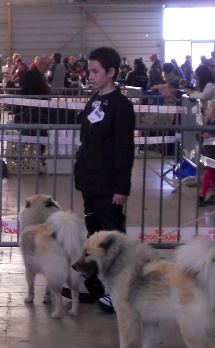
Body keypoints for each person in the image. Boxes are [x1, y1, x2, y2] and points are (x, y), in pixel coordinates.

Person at [73, 46, 135, 313]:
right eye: (90, 70)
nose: (90, 75)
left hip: (109, 183)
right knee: (94, 236)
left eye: (96, 71)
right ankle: (98, 285)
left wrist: (122, 186)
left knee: (112, 240)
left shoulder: (121, 106)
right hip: (90, 179)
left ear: (111, 72)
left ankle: (120, 292)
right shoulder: (95, 99)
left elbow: (124, 148)